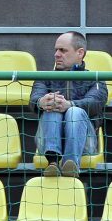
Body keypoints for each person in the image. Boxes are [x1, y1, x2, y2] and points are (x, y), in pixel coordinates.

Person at [30, 30, 107, 178]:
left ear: (80, 53)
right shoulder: (44, 78)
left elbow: (95, 102)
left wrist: (69, 104)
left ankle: (71, 163)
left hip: (86, 143)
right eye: (56, 50)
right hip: (45, 142)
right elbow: (34, 98)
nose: (57, 54)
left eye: (63, 50)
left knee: (74, 111)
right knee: (51, 108)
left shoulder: (96, 79)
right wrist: (42, 102)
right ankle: (52, 162)